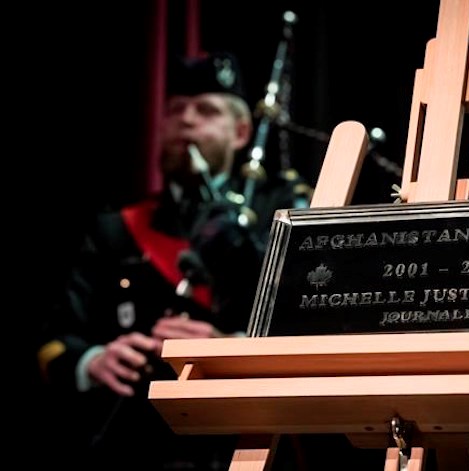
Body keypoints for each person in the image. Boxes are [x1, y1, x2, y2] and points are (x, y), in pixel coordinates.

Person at [36, 51, 311, 470]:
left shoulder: (284, 213)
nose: (186, 120)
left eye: (206, 110)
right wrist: (94, 360)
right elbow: (56, 340)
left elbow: (315, 335)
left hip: (246, 443)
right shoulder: (116, 228)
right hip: (135, 443)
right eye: (176, 110)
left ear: (240, 133)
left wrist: (231, 350)